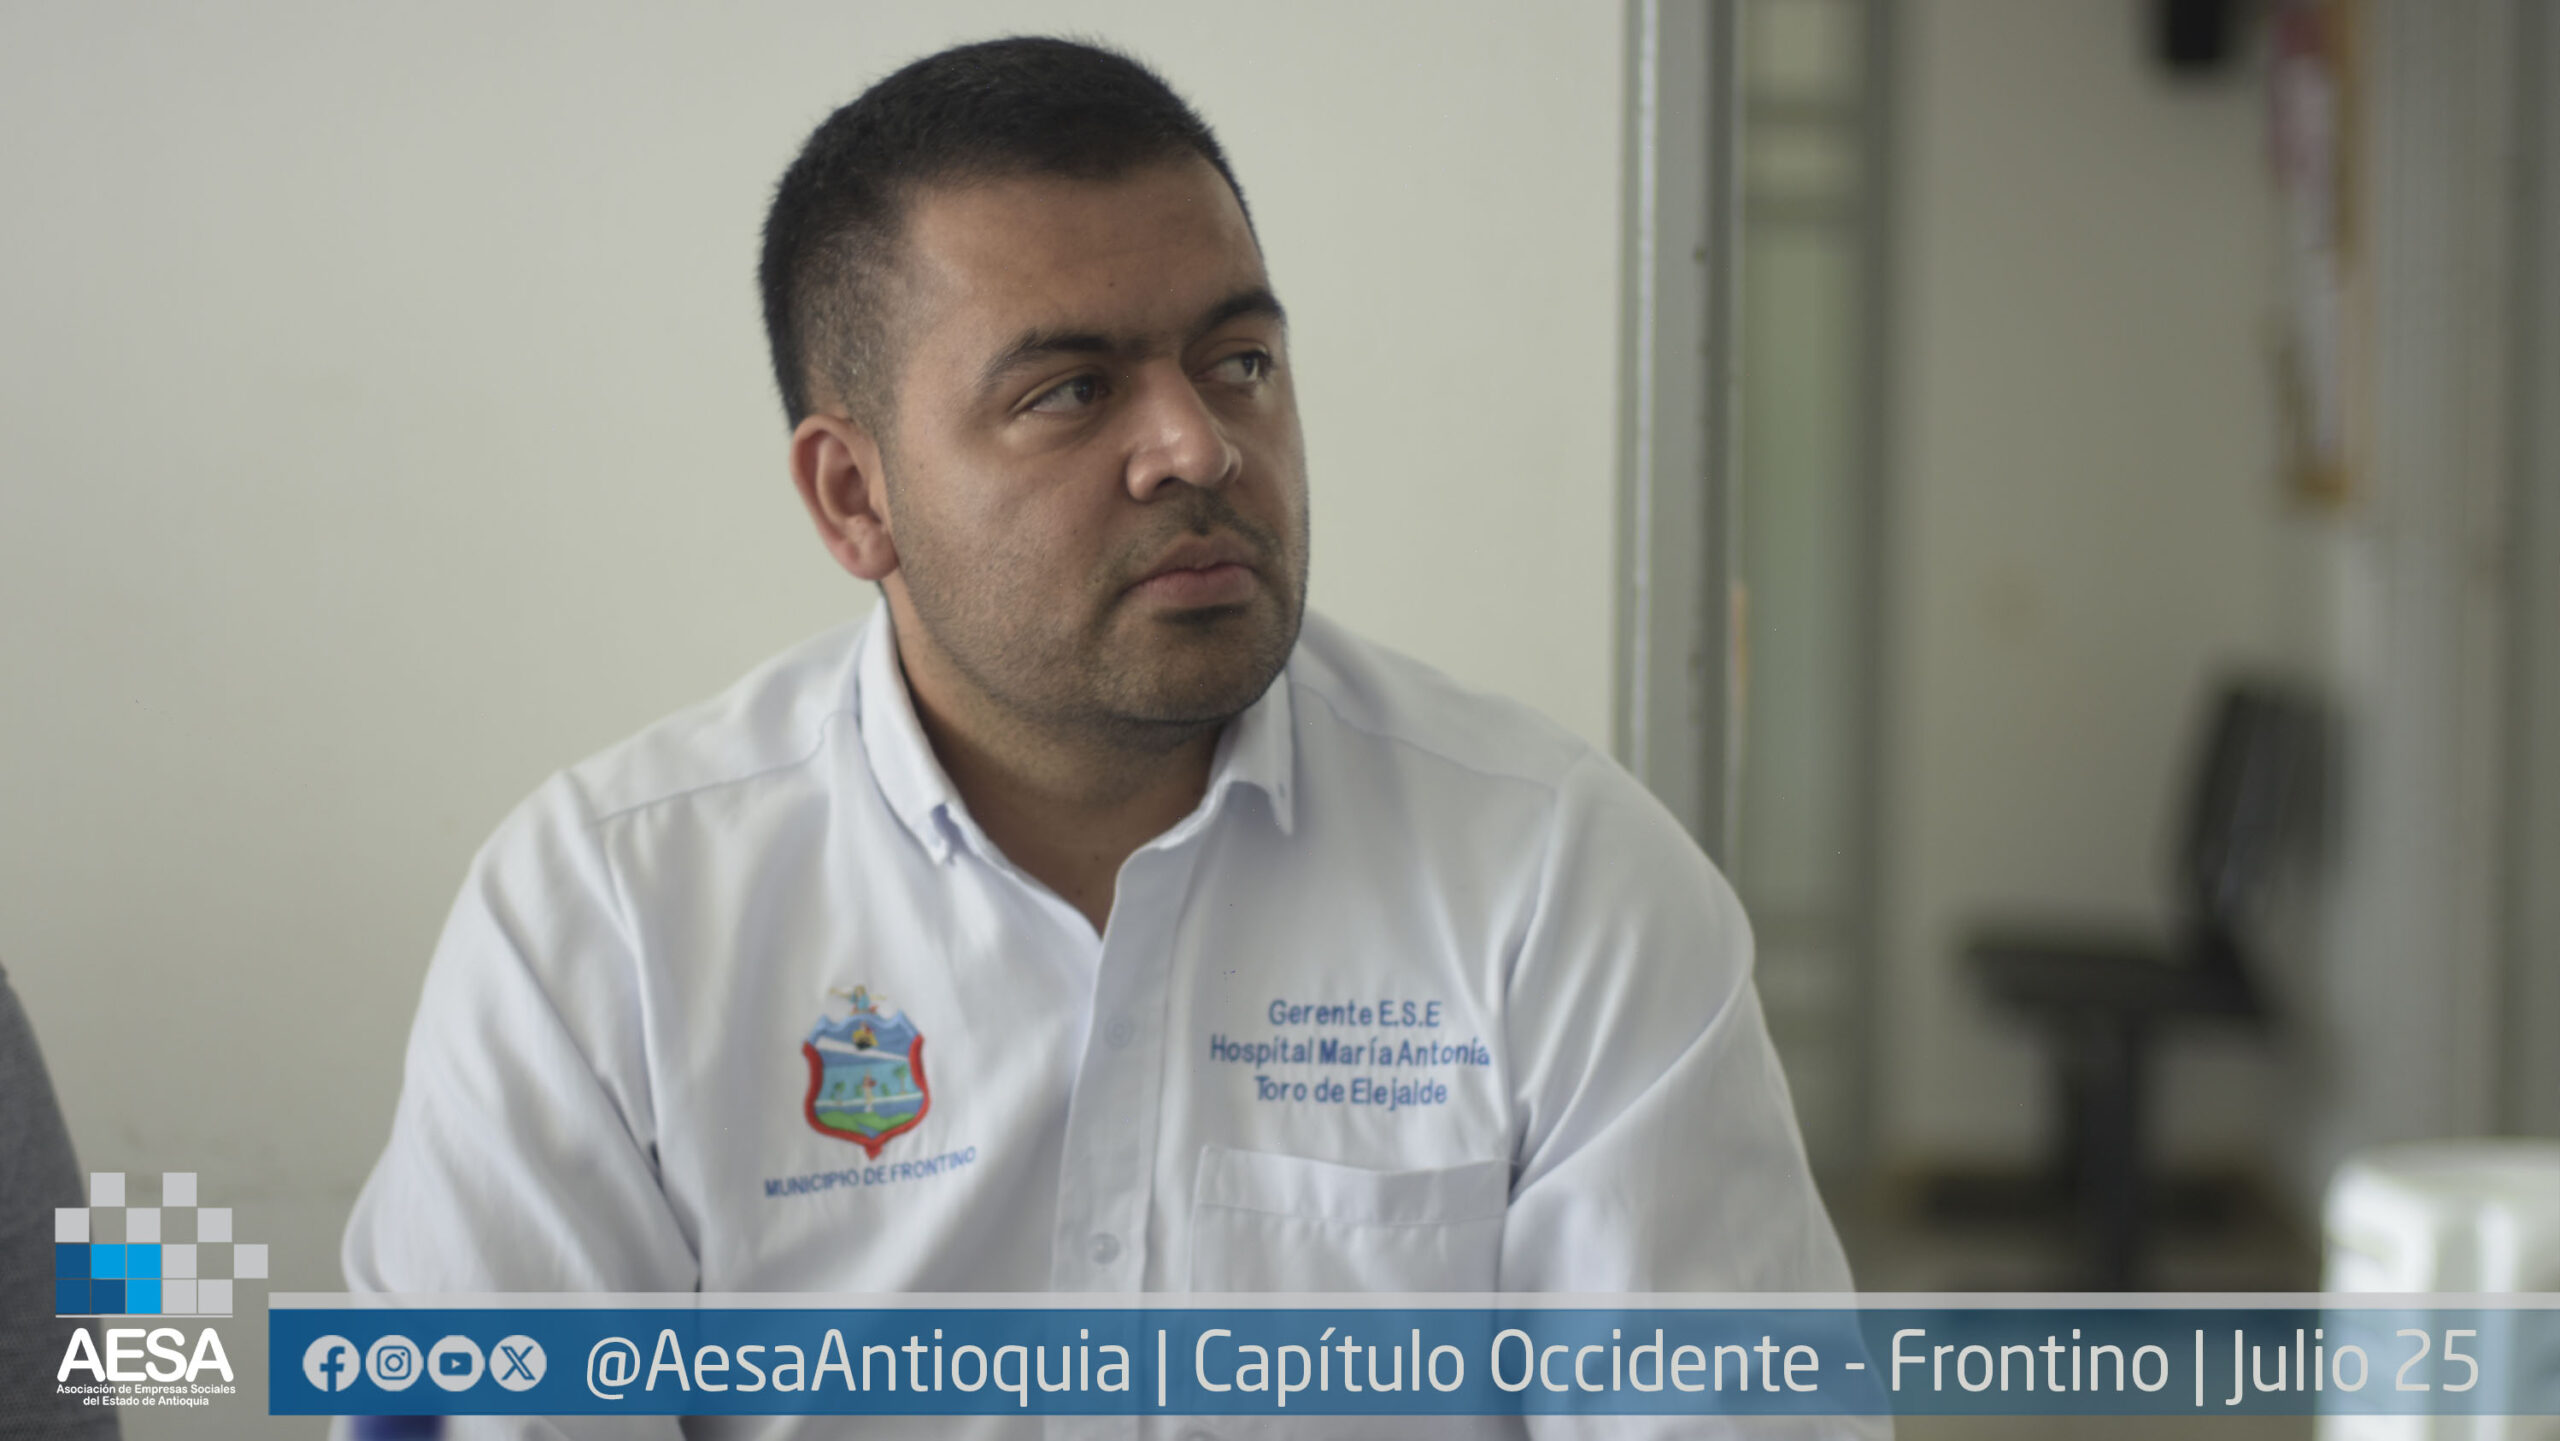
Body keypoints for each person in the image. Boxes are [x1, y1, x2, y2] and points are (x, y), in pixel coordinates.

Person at [342, 35, 1864, 1438]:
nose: (1199, 446)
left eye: (1239, 362)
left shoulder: (1556, 879)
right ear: (855, 497)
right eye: (1070, 392)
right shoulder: (610, 915)